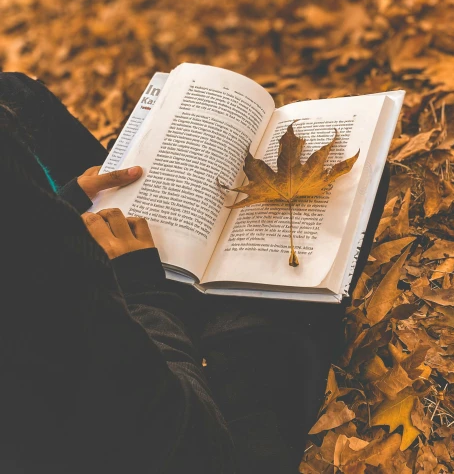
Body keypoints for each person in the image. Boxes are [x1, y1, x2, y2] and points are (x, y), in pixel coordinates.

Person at [0, 72, 390, 474]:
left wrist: (67, 204)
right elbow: (188, 443)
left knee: (12, 92)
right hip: (188, 436)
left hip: (81, 328)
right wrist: (141, 291)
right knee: (363, 186)